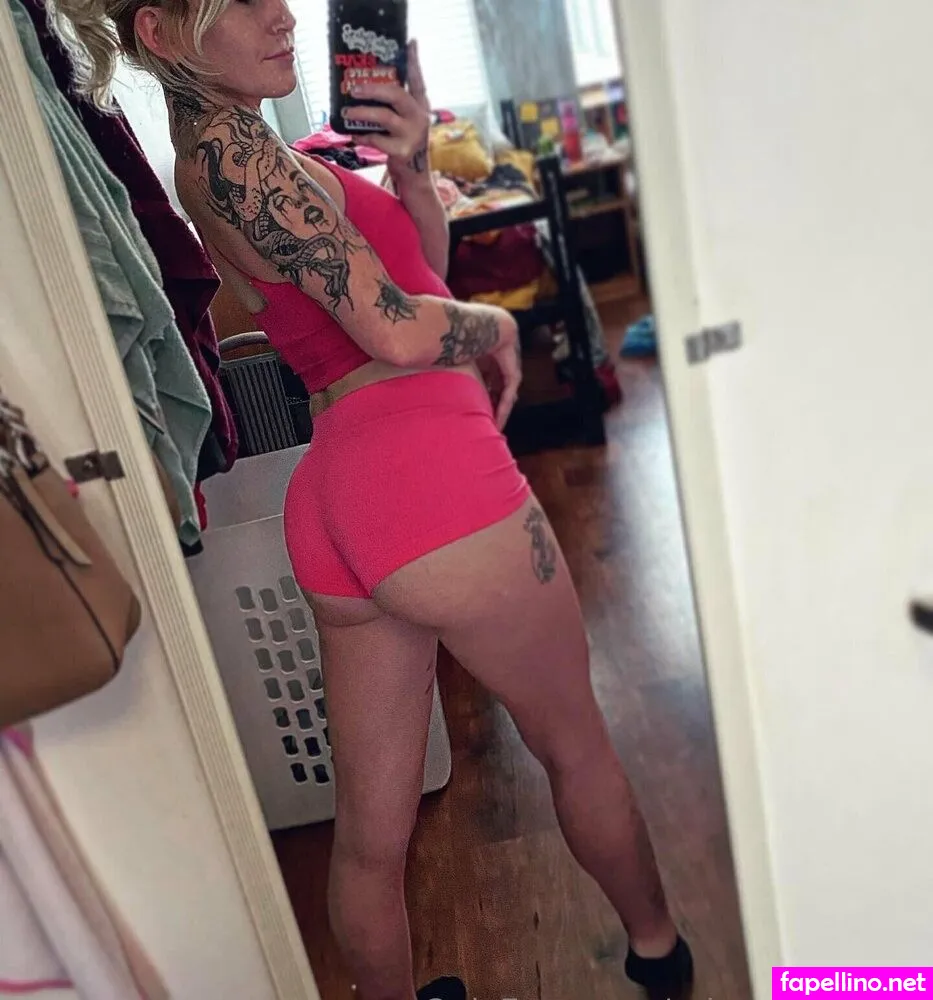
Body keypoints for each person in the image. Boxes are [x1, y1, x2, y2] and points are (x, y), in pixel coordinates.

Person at [50, 0, 695, 995]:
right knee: (576, 748)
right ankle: (659, 951)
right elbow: (398, 330)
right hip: (427, 477)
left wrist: (409, 164)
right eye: (241, 3)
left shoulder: (238, 152)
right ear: (163, 35)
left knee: (369, 833)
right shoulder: (235, 159)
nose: (282, 15)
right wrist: (497, 327)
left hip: (342, 499)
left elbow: (412, 277)